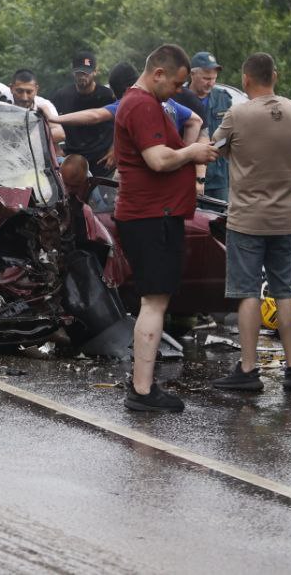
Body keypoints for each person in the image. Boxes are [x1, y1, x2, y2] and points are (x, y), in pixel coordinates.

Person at [113, 45, 220, 412]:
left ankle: (143, 386)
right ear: (157, 73)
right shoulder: (141, 105)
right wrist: (193, 154)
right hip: (149, 217)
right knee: (154, 301)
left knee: (156, 300)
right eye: (176, 84)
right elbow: (157, 160)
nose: (179, 91)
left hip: (155, 215)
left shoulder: (148, 104)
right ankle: (142, 391)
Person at [209, 53, 291, 392]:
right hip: (285, 219)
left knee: (247, 292)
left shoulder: (238, 114)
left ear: (246, 79)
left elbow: (215, 148)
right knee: (285, 291)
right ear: (275, 76)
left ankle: (249, 370)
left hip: (247, 220)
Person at [50, 62, 204, 149]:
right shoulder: (166, 102)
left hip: (148, 178)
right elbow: (196, 121)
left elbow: (95, 115)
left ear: (122, 89)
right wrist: (184, 153)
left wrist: (55, 119)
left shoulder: (132, 102)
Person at [51, 52, 116, 176]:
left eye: (86, 72)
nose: (82, 76)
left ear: (95, 72)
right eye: (78, 72)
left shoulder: (108, 96)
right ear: (73, 72)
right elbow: (47, 121)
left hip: (101, 159)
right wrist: (56, 148)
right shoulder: (62, 95)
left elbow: (122, 123)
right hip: (72, 158)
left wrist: (115, 149)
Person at [0, 68, 66, 143]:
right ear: (11, 88)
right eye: (19, 91)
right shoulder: (3, 93)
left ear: (36, 89)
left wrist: (28, 138)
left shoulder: (44, 105)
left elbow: (60, 134)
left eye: (29, 92)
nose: (24, 97)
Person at [187, 51, 235, 201]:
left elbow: (231, 135)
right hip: (187, 174)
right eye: (206, 78)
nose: (211, 83)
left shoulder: (224, 99)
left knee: (219, 220)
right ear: (192, 74)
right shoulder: (179, 97)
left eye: (214, 78)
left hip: (219, 177)